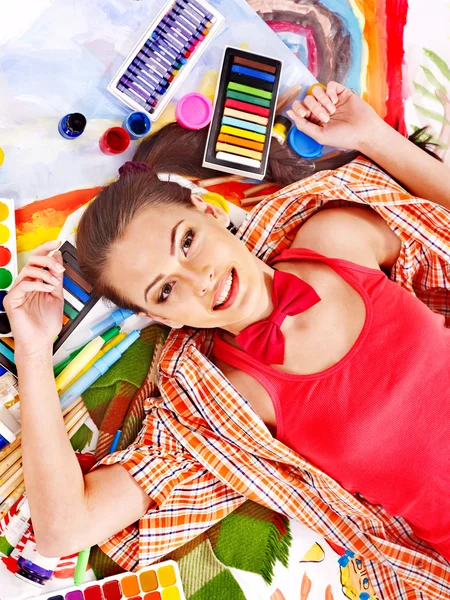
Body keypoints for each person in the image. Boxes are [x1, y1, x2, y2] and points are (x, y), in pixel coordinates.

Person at [5, 83, 450, 587]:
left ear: (211, 212)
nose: (201, 281)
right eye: (167, 290)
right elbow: (63, 530)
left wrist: (373, 137)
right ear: (164, 319)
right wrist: (34, 352)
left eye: (188, 242)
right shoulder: (224, 404)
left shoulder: (335, 237)